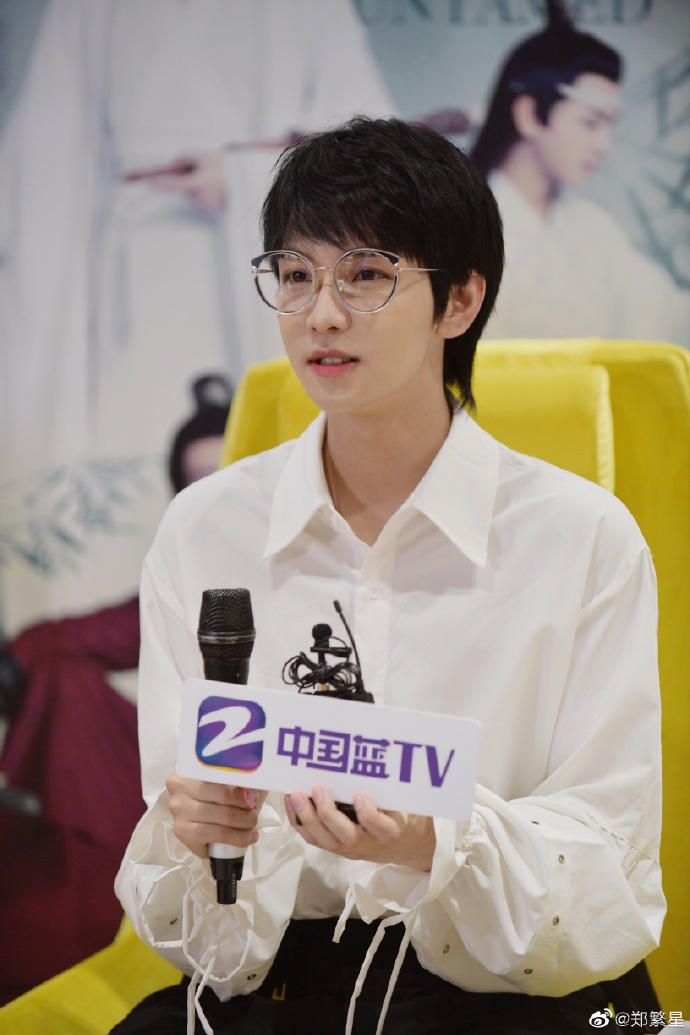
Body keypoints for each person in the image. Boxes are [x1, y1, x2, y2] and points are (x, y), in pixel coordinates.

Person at [113, 117, 664, 1034]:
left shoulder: (580, 539)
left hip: (506, 991)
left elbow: (608, 872)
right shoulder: (204, 529)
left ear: (461, 300)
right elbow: (196, 932)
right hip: (284, 985)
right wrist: (201, 834)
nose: (321, 314)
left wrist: (431, 840)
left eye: (365, 275)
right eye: (295, 275)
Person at [0, 0, 395, 648]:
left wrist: (249, 177)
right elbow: (40, 162)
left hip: (271, 270)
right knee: (132, 477)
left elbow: (373, 155)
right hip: (129, 273)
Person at [0, 374, 232, 1005]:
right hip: (181, 778)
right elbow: (105, 632)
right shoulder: (186, 574)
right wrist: (17, 662)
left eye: (224, 476)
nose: (210, 496)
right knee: (62, 676)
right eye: (194, 483)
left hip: (266, 780)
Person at [471, 0, 689, 347]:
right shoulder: (467, 228)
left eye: (608, 126)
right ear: (530, 115)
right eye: (590, 122)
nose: (604, 145)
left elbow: (668, 315)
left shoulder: (592, 228)